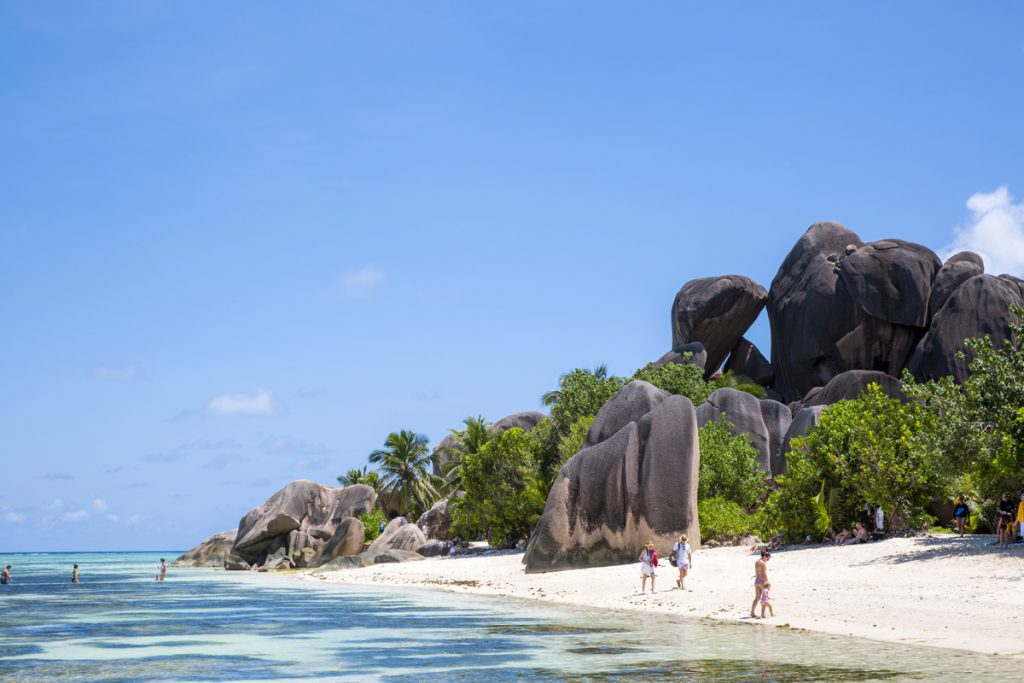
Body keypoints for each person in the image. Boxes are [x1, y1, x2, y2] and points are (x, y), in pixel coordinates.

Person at [750, 550, 770, 618]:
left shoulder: (757, 562)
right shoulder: (763, 563)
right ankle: (763, 614)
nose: (767, 560)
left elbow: (757, 572)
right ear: (764, 556)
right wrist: (767, 582)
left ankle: (752, 613)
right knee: (764, 598)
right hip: (762, 581)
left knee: (757, 598)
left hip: (756, 581)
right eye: (767, 558)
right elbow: (764, 573)